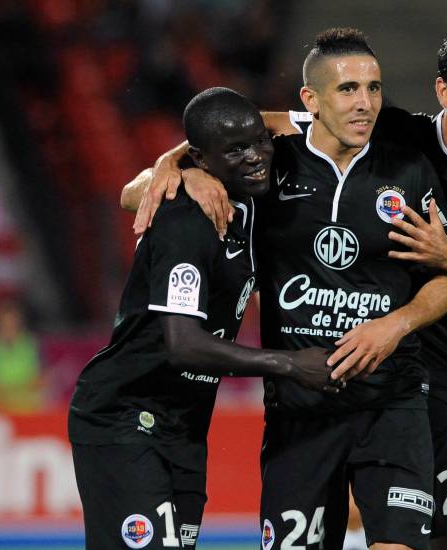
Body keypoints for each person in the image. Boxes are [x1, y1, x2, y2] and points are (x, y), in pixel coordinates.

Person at [128, 22, 447, 550]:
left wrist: (438, 270)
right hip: (364, 385)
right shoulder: (376, 137)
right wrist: (183, 165)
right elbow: (234, 132)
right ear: (445, 93)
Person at [68, 87, 341, 550]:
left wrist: (173, 162)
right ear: (204, 158)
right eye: (236, 150)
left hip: (185, 423)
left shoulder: (251, 199)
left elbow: (326, 123)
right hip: (126, 415)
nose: (257, 157)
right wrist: (291, 365)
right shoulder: (187, 220)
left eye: (259, 141)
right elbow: (183, 345)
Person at [0, 299, 46, 414]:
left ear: (19, 321)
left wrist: (14, 393)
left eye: (13, 321)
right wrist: (16, 391)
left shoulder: (32, 344)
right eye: (5, 321)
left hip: (29, 408)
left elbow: (42, 380)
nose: (9, 325)